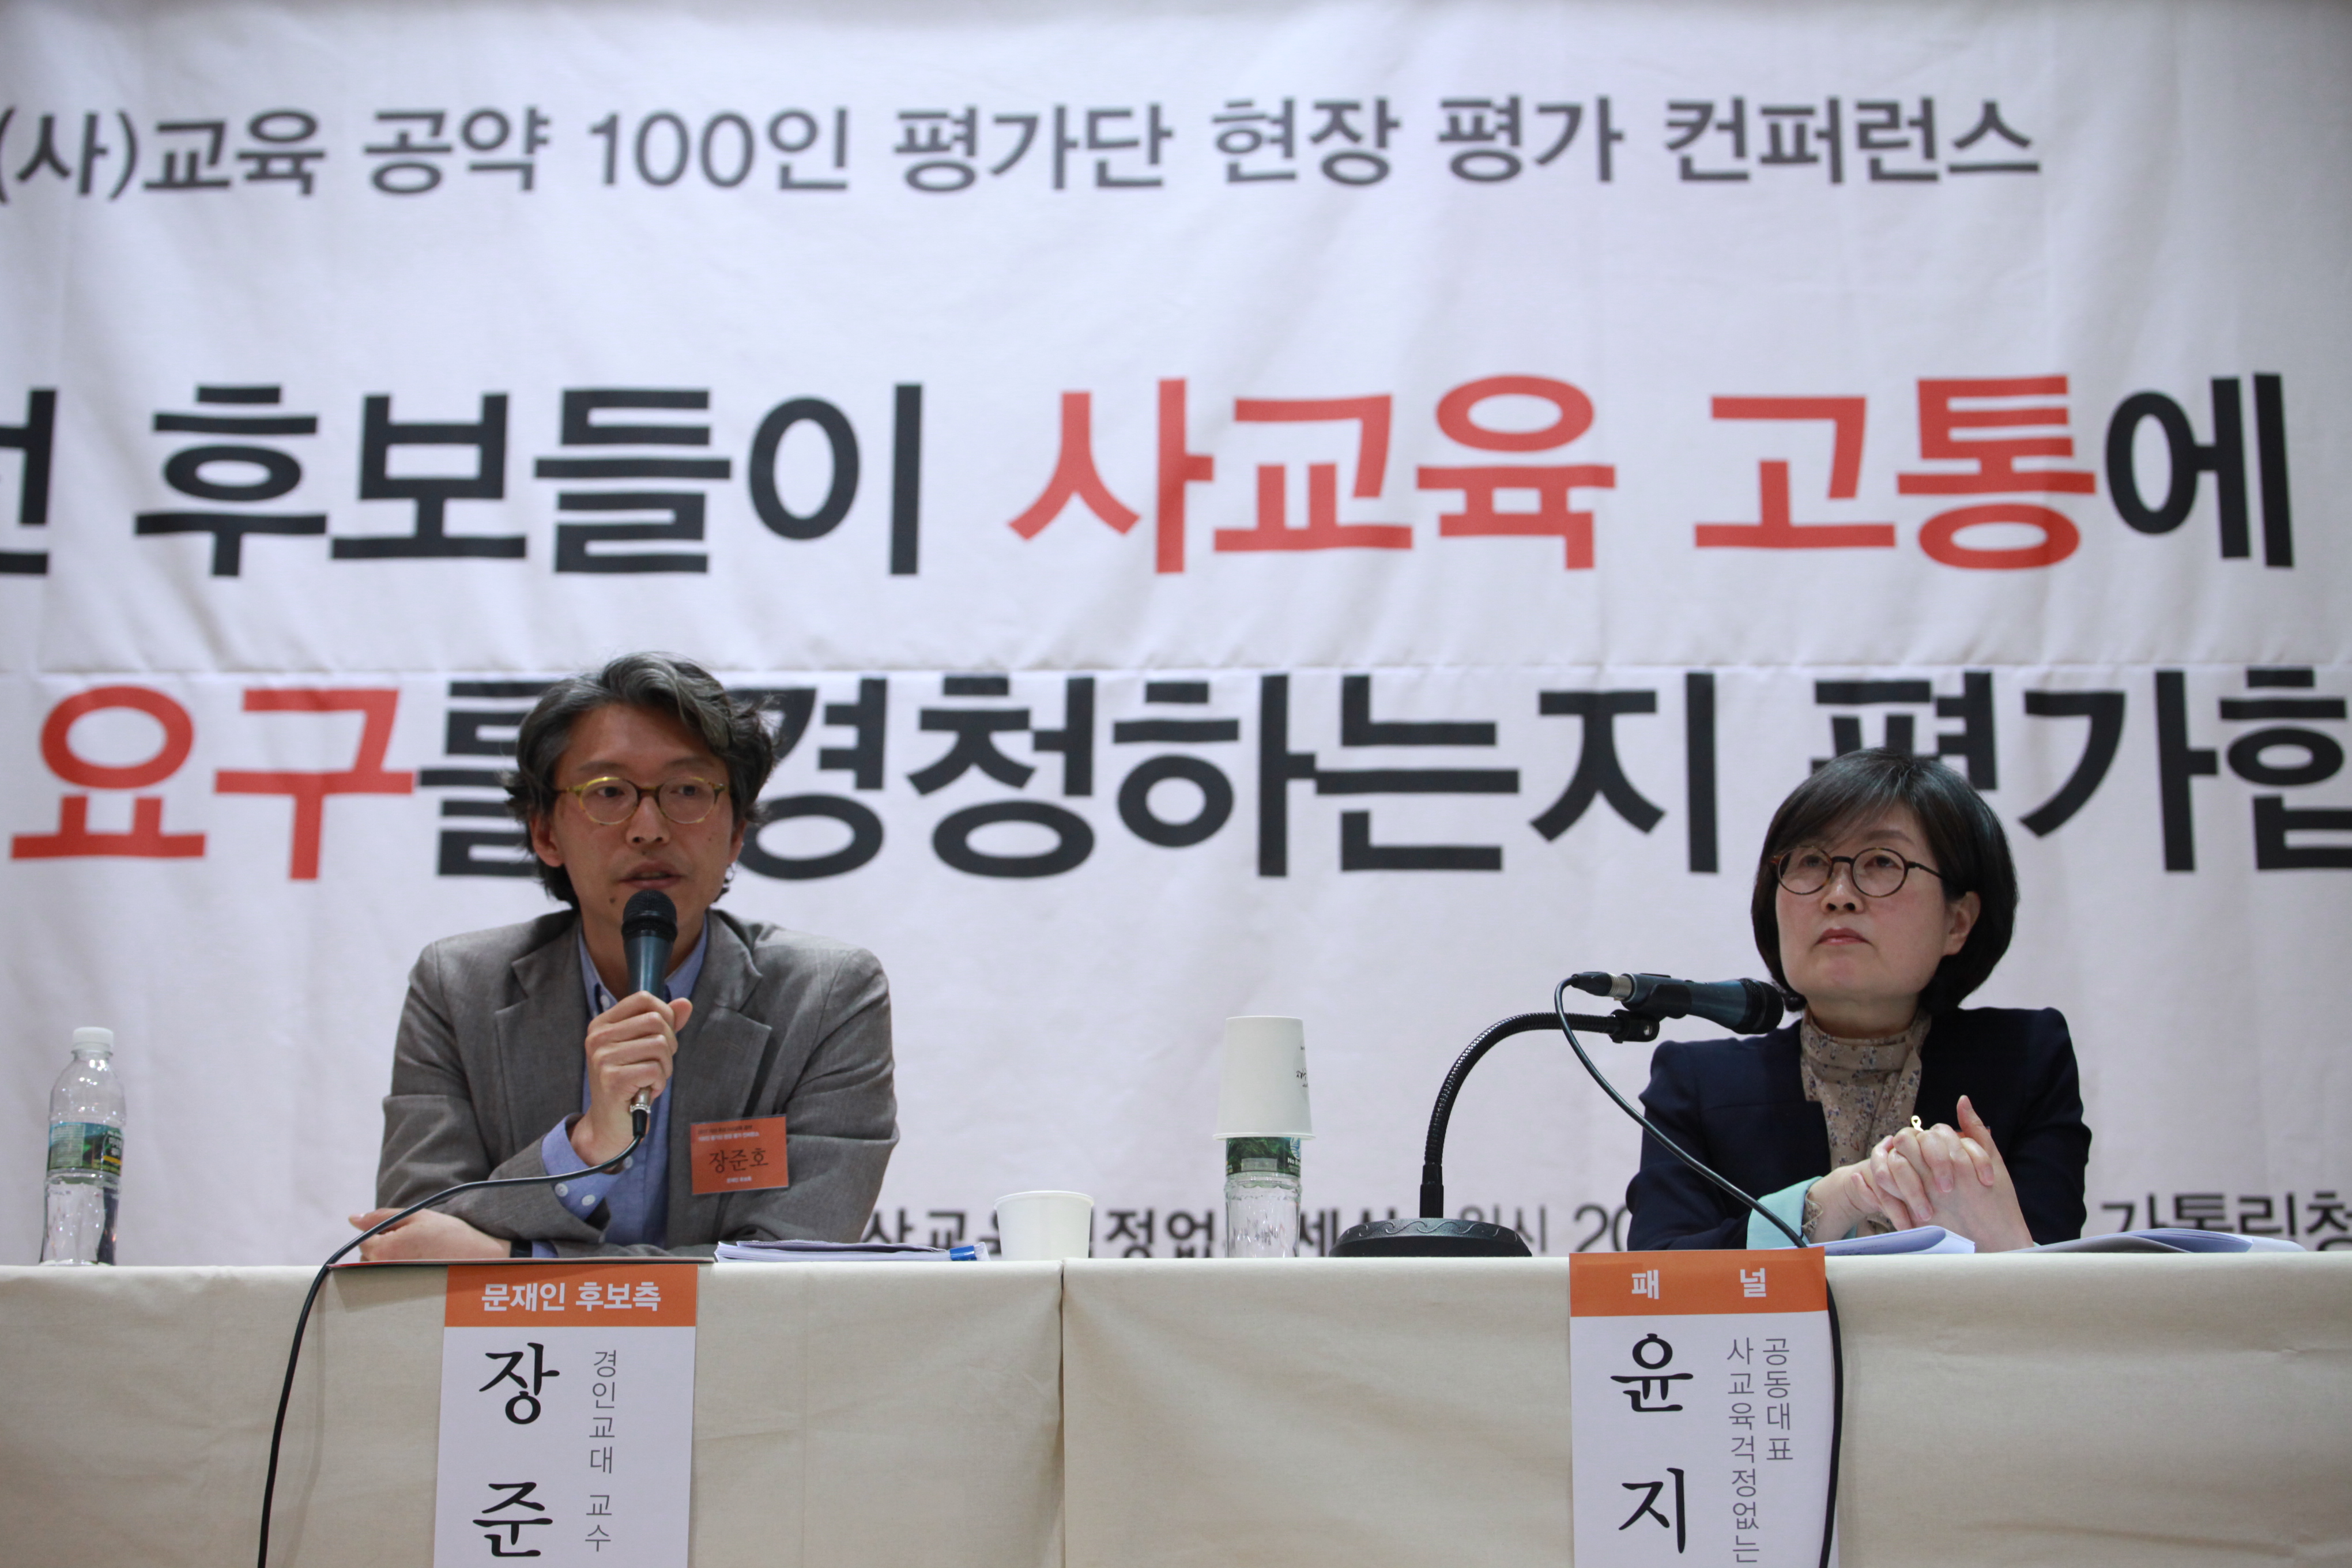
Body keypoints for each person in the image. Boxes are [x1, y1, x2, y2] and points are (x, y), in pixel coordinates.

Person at [353, 653, 897, 1258]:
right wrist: (587, 1145)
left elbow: (788, 1269)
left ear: (737, 832)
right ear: (545, 832)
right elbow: (413, 1242)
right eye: (608, 792)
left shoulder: (827, 996)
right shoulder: (460, 987)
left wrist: (517, 1258)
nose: (648, 828)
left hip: (701, 1337)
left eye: (688, 790)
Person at [1625, 748, 2088, 1251]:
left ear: (1957, 922)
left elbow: (2057, 1281)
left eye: (1882, 862)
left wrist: (1995, 1230)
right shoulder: (1698, 1084)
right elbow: (1658, 1277)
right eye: (1811, 862)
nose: (1839, 894)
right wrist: (1825, 1206)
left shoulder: (2023, 1060)